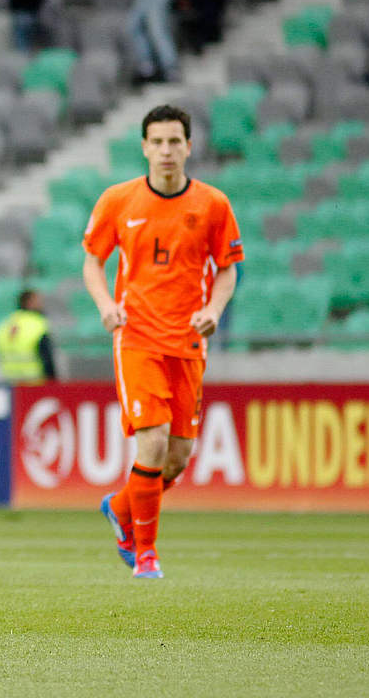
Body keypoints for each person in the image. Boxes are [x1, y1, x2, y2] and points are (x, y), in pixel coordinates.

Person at [82, 104, 242, 580]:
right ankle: (146, 554)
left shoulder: (213, 204)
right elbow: (92, 261)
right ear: (145, 147)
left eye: (176, 141)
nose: (167, 150)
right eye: (158, 142)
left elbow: (228, 268)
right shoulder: (118, 200)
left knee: (177, 458)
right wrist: (104, 307)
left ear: (189, 147)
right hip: (136, 338)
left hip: (188, 341)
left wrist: (213, 311)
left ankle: (120, 506)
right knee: (150, 444)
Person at [0, 289, 57, 383]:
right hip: (34, 381)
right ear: (29, 303)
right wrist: (52, 381)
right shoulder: (38, 324)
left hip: (10, 381)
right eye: (38, 301)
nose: (41, 304)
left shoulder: (6, 324)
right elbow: (46, 356)